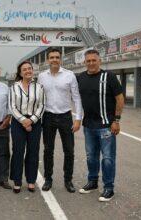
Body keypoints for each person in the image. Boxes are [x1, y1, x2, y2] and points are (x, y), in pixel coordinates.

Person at [77, 49, 124, 202]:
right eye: (88, 61)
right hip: (88, 126)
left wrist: (116, 120)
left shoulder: (109, 76)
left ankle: (109, 188)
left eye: (93, 60)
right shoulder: (81, 77)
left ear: (99, 61)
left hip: (106, 126)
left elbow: (120, 98)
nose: (91, 63)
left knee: (108, 158)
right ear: (84, 62)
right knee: (91, 157)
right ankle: (92, 182)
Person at [37, 47, 82, 193]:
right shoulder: (42, 76)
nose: (54, 60)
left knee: (69, 150)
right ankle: (48, 179)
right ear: (47, 60)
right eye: (52, 57)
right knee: (48, 150)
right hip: (48, 117)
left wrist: (78, 119)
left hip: (65, 117)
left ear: (60, 59)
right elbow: (38, 98)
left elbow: (76, 98)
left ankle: (68, 180)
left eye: (57, 57)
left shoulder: (69, 75)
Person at [9, 61, 46, 193]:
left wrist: (32, 121)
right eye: (24, 69)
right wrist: (24, 121)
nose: (28, 71)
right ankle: (17, 181)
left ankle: (31, 181)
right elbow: (12, 106)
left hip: (35, 122)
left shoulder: (39, 87)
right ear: (20, 72)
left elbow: (42, 106)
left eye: (29, 69)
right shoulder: (14, 87)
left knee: (33, 151)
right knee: (18, 151)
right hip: (18, 123)